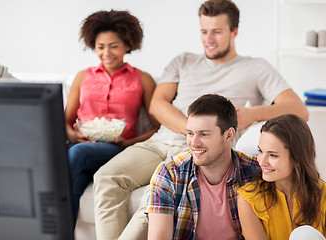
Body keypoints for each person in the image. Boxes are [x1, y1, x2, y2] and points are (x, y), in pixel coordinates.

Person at [92, 0, 309, 239]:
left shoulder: (256, 68)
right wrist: (193, 130)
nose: (209, 39)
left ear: (234, 31)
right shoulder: (183, 61)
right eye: (204, 31)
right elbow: (157, 104)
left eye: (217, 32)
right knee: (106, 177)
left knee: (152, 199)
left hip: (207, 146)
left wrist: (250, 114)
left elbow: (299, 109)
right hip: (163, 141)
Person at [64, 10, 159, 221]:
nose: (106, 52)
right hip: (80, 146)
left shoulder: (143, 79)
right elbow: (65, 121)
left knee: (77, 154)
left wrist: (129, 142)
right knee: (73, 172)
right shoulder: (82, 77)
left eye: (114, 46)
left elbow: (157, 128)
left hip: (117, 148)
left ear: (128, 45)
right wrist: (73, 136)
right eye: (100, 47)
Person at [147, 94, 260, 239]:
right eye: (190, 133)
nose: (194, 143)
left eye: (204, 134)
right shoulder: (170, 173)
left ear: (229, 135)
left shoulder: (255, 170)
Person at [237, 114, 326, 240]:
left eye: (273, 155)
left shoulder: (323, 195)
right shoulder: (249, 199)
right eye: (260, 151)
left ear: (297, 158)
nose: (262, 162)